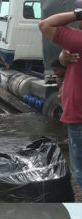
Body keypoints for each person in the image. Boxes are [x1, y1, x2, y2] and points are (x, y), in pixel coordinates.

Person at [40, 9, 82, 187]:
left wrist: (77, 13)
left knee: (80, 172)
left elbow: (45, 24)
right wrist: (63, 58)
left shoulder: (78, 40)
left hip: (79, 117)